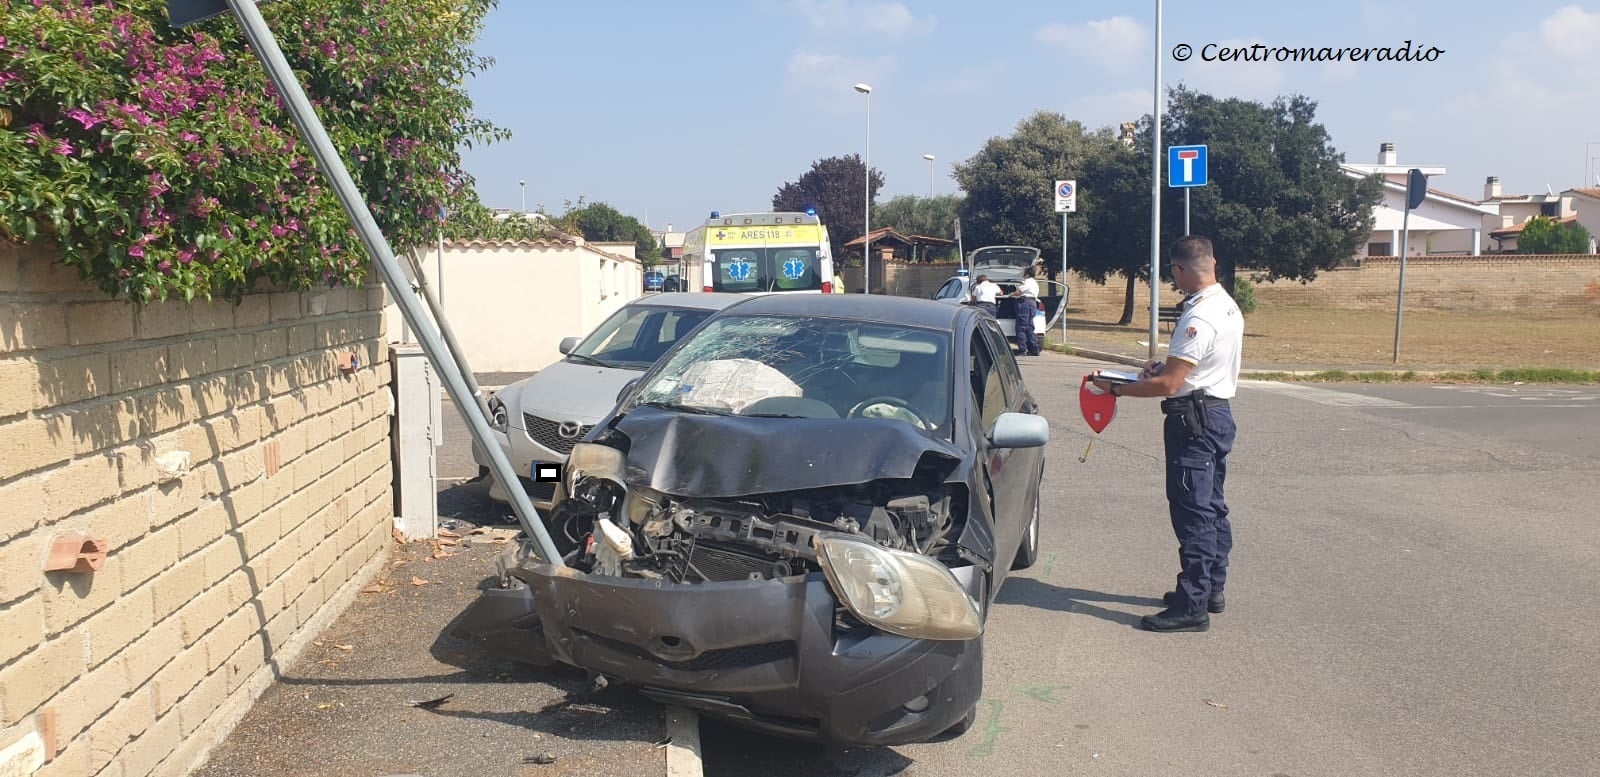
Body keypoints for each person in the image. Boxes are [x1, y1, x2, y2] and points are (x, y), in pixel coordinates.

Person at [1091, 236, 1243, 633]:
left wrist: (1117, 389)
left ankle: (1193, 605)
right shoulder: (1226, 304)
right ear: (1212, 263)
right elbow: (1186, 369)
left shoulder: (1197, 318)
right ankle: (1210, 588)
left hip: (1193, 420)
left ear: (1178, 270)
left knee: (1193, 511)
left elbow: (1171, 385)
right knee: (1212, 506)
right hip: (1216, 412)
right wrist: (1163, 367)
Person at [1007, 266, 1042, 356]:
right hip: (1031, 303)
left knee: (1021, 327)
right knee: (1029, 327)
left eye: (1024, 273)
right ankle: (1034, 349)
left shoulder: (1027, 282)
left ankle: (1023, 349)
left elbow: (1019, 292)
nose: (1023, 275)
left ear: (1027, 274)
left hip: (1024, 303)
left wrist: (1011, 295)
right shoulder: (1034, 283)